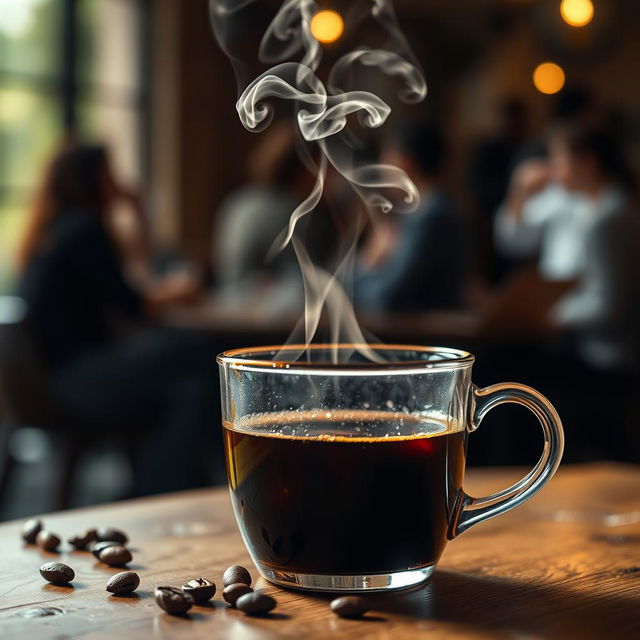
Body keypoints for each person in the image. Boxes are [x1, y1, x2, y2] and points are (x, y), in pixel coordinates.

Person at [15, 142, 224, 496]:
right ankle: (181, 486)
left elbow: (132, 282)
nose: (119, 181)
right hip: (76, 380)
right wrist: (176, 288)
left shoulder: (57, 228)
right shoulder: (84, 231)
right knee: (203, 355)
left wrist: (136, 213)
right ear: (92, 179)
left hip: (53, 378)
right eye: (110, 173)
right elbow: (133, 304)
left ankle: (158, 488)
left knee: (188, 391)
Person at [495, 125, 640, 372]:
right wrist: (520, 191)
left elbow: (608, 303)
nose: (552, 170)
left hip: (601, 353)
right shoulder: (577, 201)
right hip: (578, 342)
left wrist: (548, 316)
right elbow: (513, 240)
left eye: (558, 159)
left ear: (588, 162)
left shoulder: (610, 217)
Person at [355, 123, 467, 313]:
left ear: (405, 162)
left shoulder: (431, 219)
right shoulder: (421, 215)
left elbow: (387, 299)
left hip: (417, 335)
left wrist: (368, 264)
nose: (382, 166)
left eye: (387, 157)